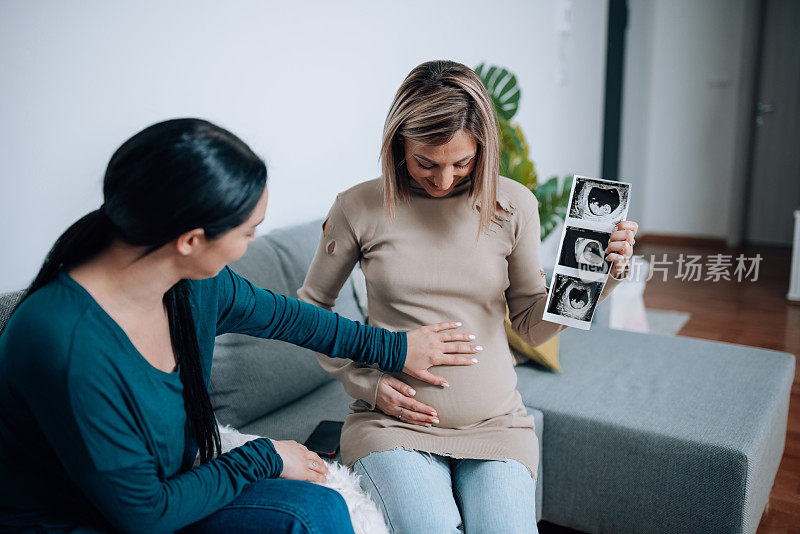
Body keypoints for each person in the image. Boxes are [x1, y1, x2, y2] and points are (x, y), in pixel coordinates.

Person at [0, 118, 481, 533]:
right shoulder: (61, 342)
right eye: (248, 232)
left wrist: (394, 348)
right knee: (309, 519)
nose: (252, 245)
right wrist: (264, 456)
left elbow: (288, 317)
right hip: (91, 518)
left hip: (168, 484)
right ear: (190, 240)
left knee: (319, 508)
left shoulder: (191, 283)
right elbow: (143, 516)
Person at [297, 60, 638, 533]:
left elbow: (529, 326)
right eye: (426, 163)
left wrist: (601, 278)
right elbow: (309, 309)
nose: (443, 180)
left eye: (462, 162)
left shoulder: (513, 205)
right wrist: (365, 384)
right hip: (393, 427)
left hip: (496, 424)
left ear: (484, 148)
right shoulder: (358, 207)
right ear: (399, 145)